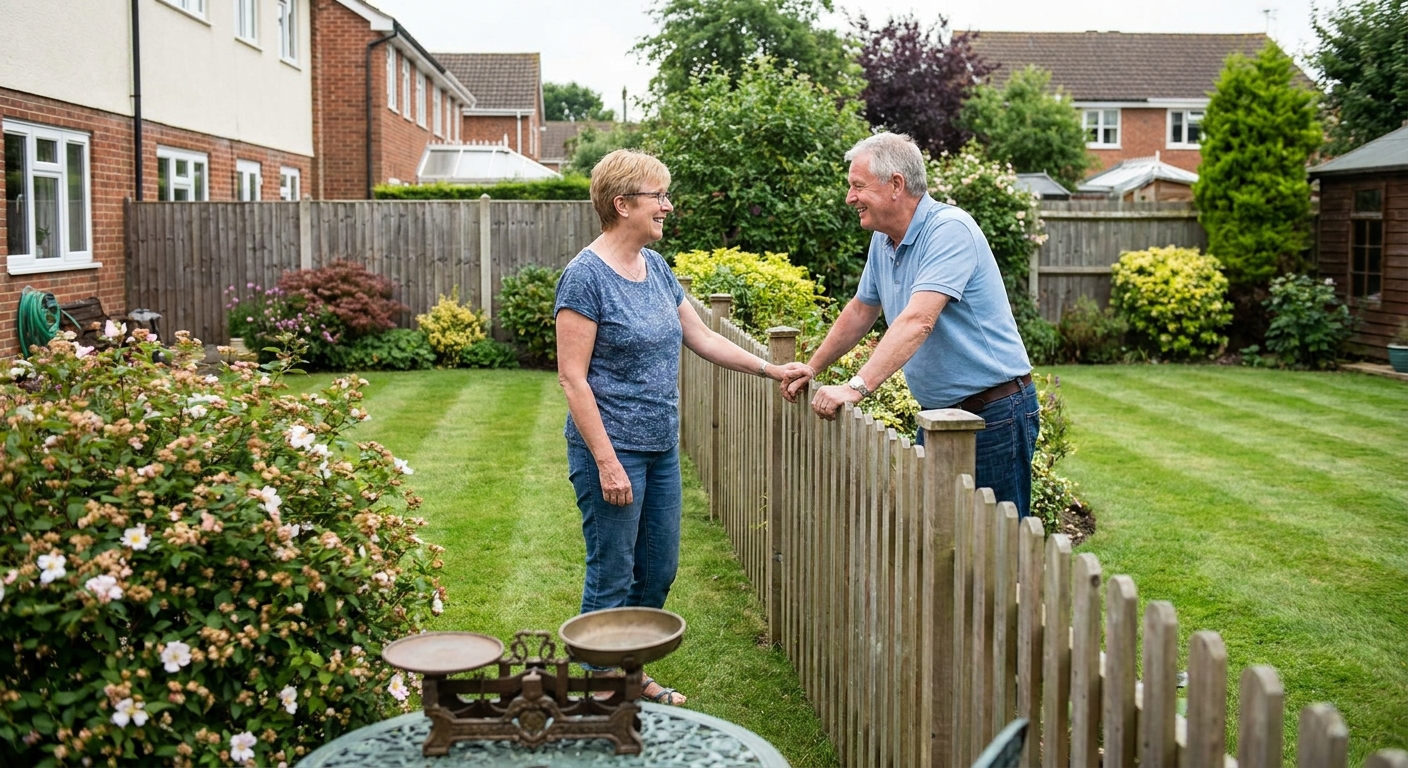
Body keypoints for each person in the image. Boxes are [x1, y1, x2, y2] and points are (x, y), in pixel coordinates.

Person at [555, 149, 809, 705]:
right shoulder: (584, 279)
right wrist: (606, 461)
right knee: (612, 572)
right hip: (613, 447)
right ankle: (601, 692)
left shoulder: (657, 269)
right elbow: (573, 380)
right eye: (658, 197)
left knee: (659, 570)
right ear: (622, 205)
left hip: (660, 448)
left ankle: (627, 674)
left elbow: (703, 337)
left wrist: (771, 368)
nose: (668, 206)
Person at [780, 133, 1039, 517]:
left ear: (896, 185)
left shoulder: (949, 230)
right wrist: (814, 367)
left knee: (998, 549)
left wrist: (855, 387)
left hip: (994, 413)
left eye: (857, 186)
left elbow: (918, 321)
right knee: (941, 542)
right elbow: (861, 311)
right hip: (940, 416)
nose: (850, 197)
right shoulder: (885, 242)